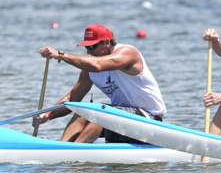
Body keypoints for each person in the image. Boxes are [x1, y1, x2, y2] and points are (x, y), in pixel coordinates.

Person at [32, 23, 166, 143]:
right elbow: (72, 98)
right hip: (123, 120)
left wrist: (60, 55)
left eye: (92, 46)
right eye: (86, 47)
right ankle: (62, 148)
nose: (89, 51)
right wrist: (48, 114)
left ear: (107, 42)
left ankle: (74, 152)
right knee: (83, 111)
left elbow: (99, 65)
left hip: (150, 121)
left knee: (100, 112)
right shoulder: (89, 69)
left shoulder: (128, 53)